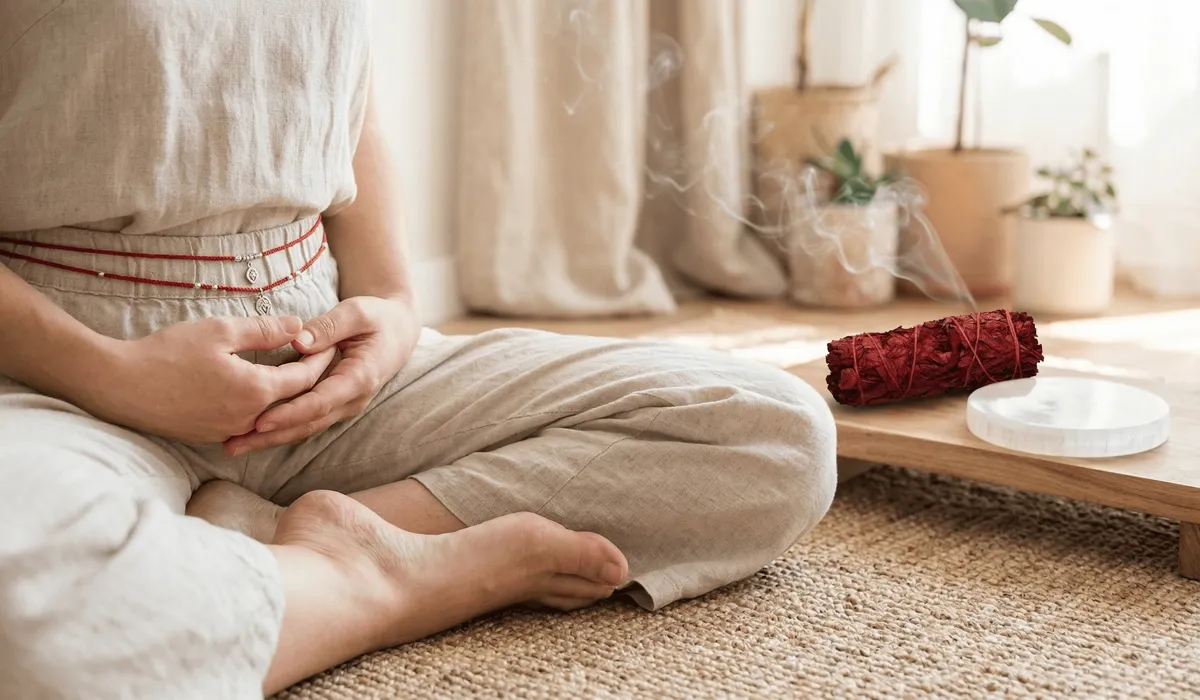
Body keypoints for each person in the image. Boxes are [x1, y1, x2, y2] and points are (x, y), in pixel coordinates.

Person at [0, 2, 836, 698]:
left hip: (321, 357)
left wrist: (393, 304)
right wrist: (108, 372)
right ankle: (379, 586)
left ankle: (292, 537)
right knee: (24, 619)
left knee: (775, 429)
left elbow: (344, 98)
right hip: (59, 376)